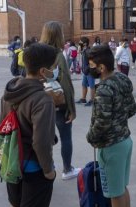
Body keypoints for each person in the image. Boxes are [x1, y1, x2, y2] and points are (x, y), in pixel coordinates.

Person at [0, 43, 58, 207]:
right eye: (53, 67)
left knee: (15, 206)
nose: (55, 71)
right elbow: (41, 142)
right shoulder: (42, 100)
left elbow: (3, 124)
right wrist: (49, 170)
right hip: (33, 166)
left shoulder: (10, 89)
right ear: (43, 71)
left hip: (12, 162)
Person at [87, 45, 136, 207]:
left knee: (114, 191)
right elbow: (131, 109)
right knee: (122, 185)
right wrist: (119, 118)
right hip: (125, 139)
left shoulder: (103, 90)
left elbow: (101, 123)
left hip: (111, 145)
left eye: (91, 65)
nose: (88, 68)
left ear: (101, 67)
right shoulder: (122, 80)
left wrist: (91, 137)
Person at [40, 21, 80, 180]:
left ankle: (46, 167)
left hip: (40, 102)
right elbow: (66, 84)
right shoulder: (58, 55)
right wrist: (72, 108)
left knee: (44, 137)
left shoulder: (37, 53)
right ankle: (67, 169)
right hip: (59, 103)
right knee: (66, 137)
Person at [76, 37, 96, 106]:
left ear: (84, 44)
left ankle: (92, 100)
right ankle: (83, 98)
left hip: (89, 72)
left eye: (80, 42)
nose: (79, 44)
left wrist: (86, 70)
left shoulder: (88, 51)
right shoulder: (84, 50)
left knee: (92, 86)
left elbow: (92, 62)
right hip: (86, 72)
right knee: (84, 84)